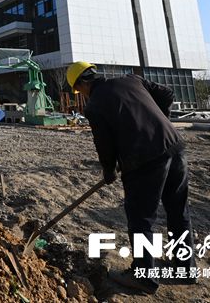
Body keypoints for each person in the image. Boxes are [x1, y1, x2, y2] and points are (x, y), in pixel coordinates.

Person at [67, 61, 195, 295]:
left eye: (79, 91)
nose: (81, 95)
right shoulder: (131, 79)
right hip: (175, 148)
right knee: (178, 211)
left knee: (141, 218)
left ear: (82, 83)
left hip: (144, 161)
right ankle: (185, 268)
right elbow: (167, 93)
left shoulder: (95, 106)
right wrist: (158, 121)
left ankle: (144, 277)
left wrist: (108, 170)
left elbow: (104, 144)